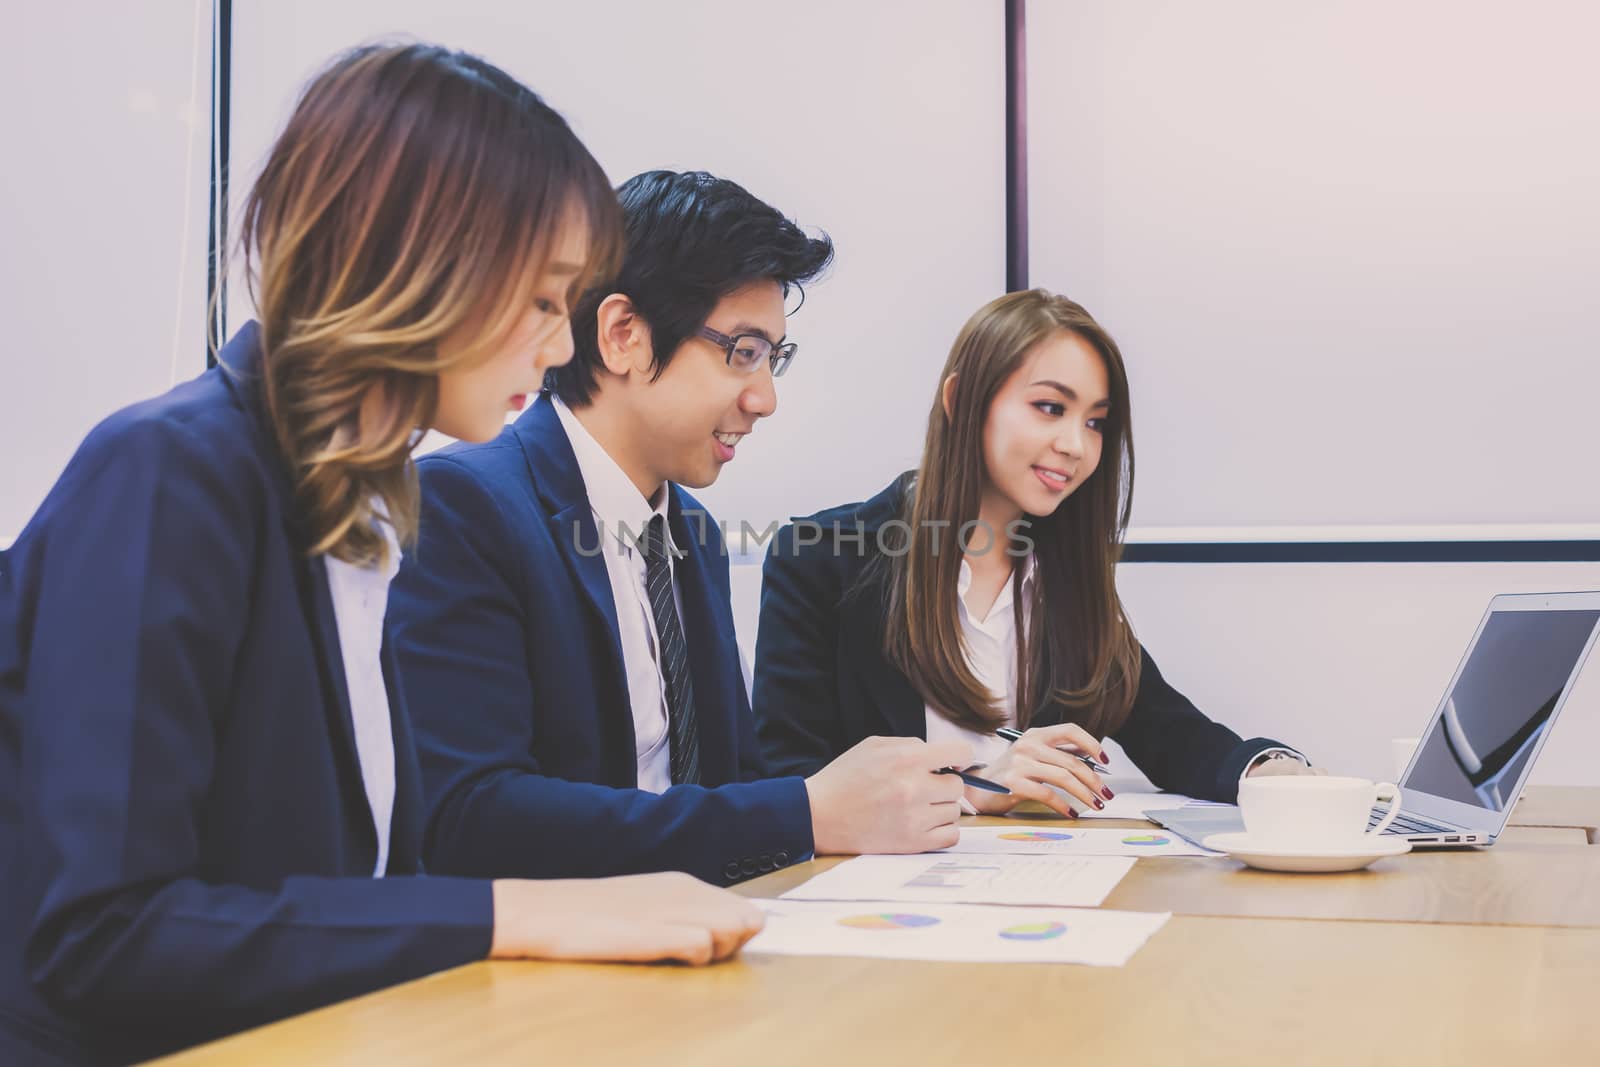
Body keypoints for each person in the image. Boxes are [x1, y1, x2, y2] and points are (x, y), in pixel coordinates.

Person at [0, 45, 763, 1066]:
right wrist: (513, 915)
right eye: (542, 302)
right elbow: (107, 936)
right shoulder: (170, 471)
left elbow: (343, 889)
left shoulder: (373, 502)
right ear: (419, 262)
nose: (554, 347)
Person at [389, 170, 969, 888]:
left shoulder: (690, 531)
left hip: (702, 935)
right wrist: (805, 811)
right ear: (624, 334)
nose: (765, 398)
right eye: (743, 351)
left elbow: (732, 780)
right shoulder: (468, 504)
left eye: (773, 357)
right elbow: (470, 819)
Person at [754, 289, 1317, 819]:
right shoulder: (823, 558)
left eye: (1096, 422)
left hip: (1041, 892)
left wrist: (1269, 769)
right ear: (961, 401)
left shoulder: (1063, 577)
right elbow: (791, 784)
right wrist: (972, 788)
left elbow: (1175, 737)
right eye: (1050, 407)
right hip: (867, 903)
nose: (1076, 444)